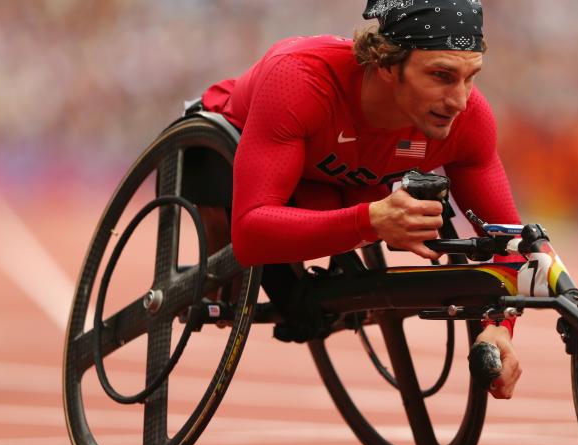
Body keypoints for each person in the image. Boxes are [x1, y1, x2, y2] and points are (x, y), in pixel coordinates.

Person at [200, 0, 522, 399]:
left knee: (330, 219)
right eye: (441, 75)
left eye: (470, 77)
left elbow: (515, 243)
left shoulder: (470, 119)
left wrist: (500, 326)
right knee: (297, 298)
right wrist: (371, 221)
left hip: (341, 185)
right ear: (388, 64)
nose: (459, 100)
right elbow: (250, 235)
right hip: (236, 156)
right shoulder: (298, 81)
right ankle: (215, 228)